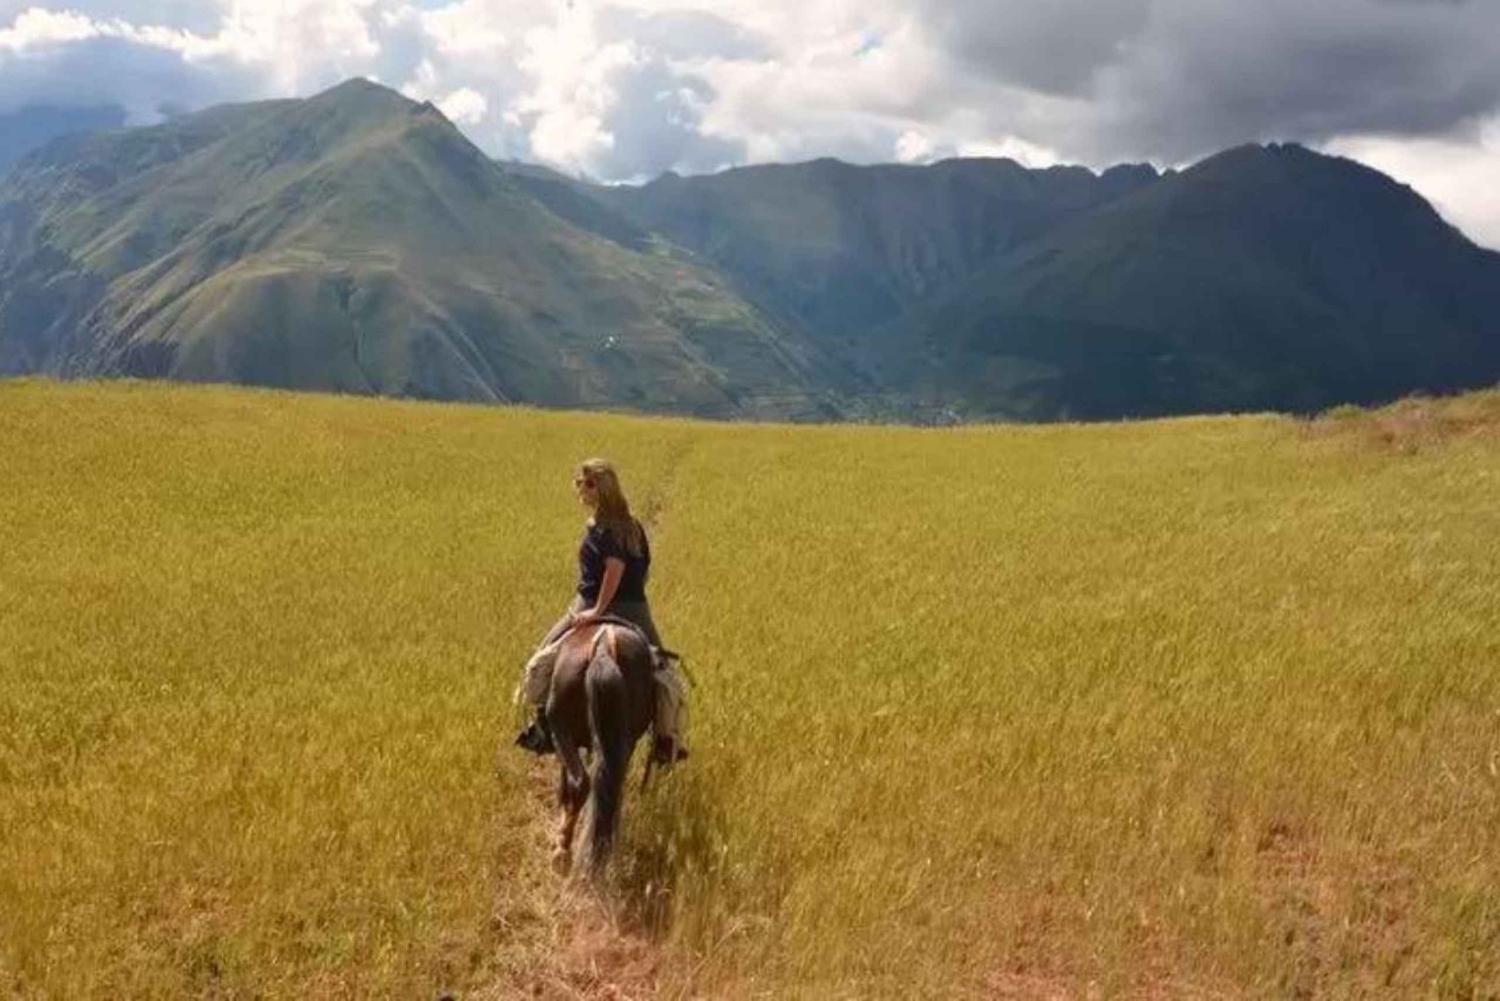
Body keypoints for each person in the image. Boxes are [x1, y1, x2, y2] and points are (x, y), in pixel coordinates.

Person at [515, 458, 688, 765]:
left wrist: (597, 610)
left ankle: (542, 727)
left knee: (541, 661)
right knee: (664, 675)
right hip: (635, 609)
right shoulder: (632, 526)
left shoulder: (604, 526)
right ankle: (666, 740)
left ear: (602, 489)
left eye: (587, 483)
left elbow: (614, 568)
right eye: (580, 482)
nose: (580, 488)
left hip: (591, 602)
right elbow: (643, 570)